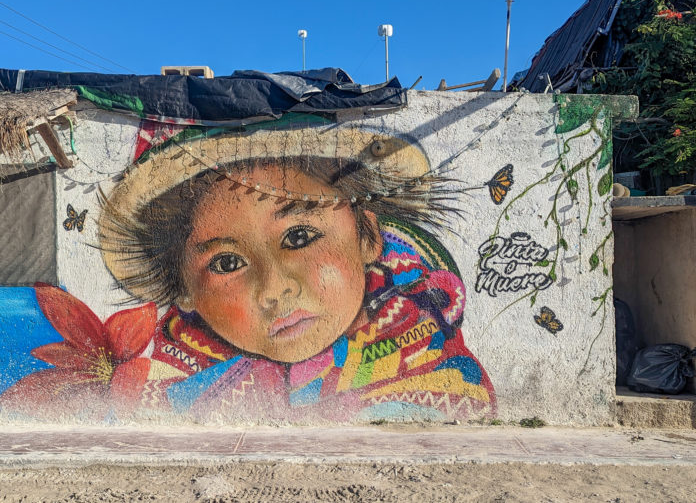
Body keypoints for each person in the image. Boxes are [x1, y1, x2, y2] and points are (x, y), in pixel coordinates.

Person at [96, 122, 496, 422]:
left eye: (300, 236)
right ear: (186, 291)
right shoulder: (166, 387)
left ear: (367, 237)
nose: (275, 289)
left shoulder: (429, 352)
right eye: (226, 263)